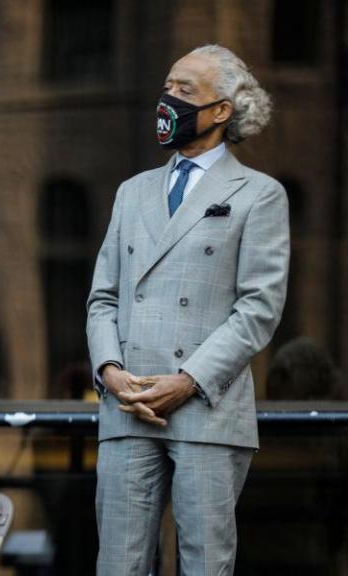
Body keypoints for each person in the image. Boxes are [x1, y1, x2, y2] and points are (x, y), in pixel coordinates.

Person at [87, 44, 289, 574]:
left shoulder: (260, 195)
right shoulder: (133, 192)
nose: (168, 100)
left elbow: (259, 308)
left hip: (206, 409)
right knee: (118, 563)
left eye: (185, 91)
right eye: (167, 87)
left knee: (205, 563)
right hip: (128, 408)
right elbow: (102, 297)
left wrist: (189, 379)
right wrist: (110, 372)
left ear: (222, 109)